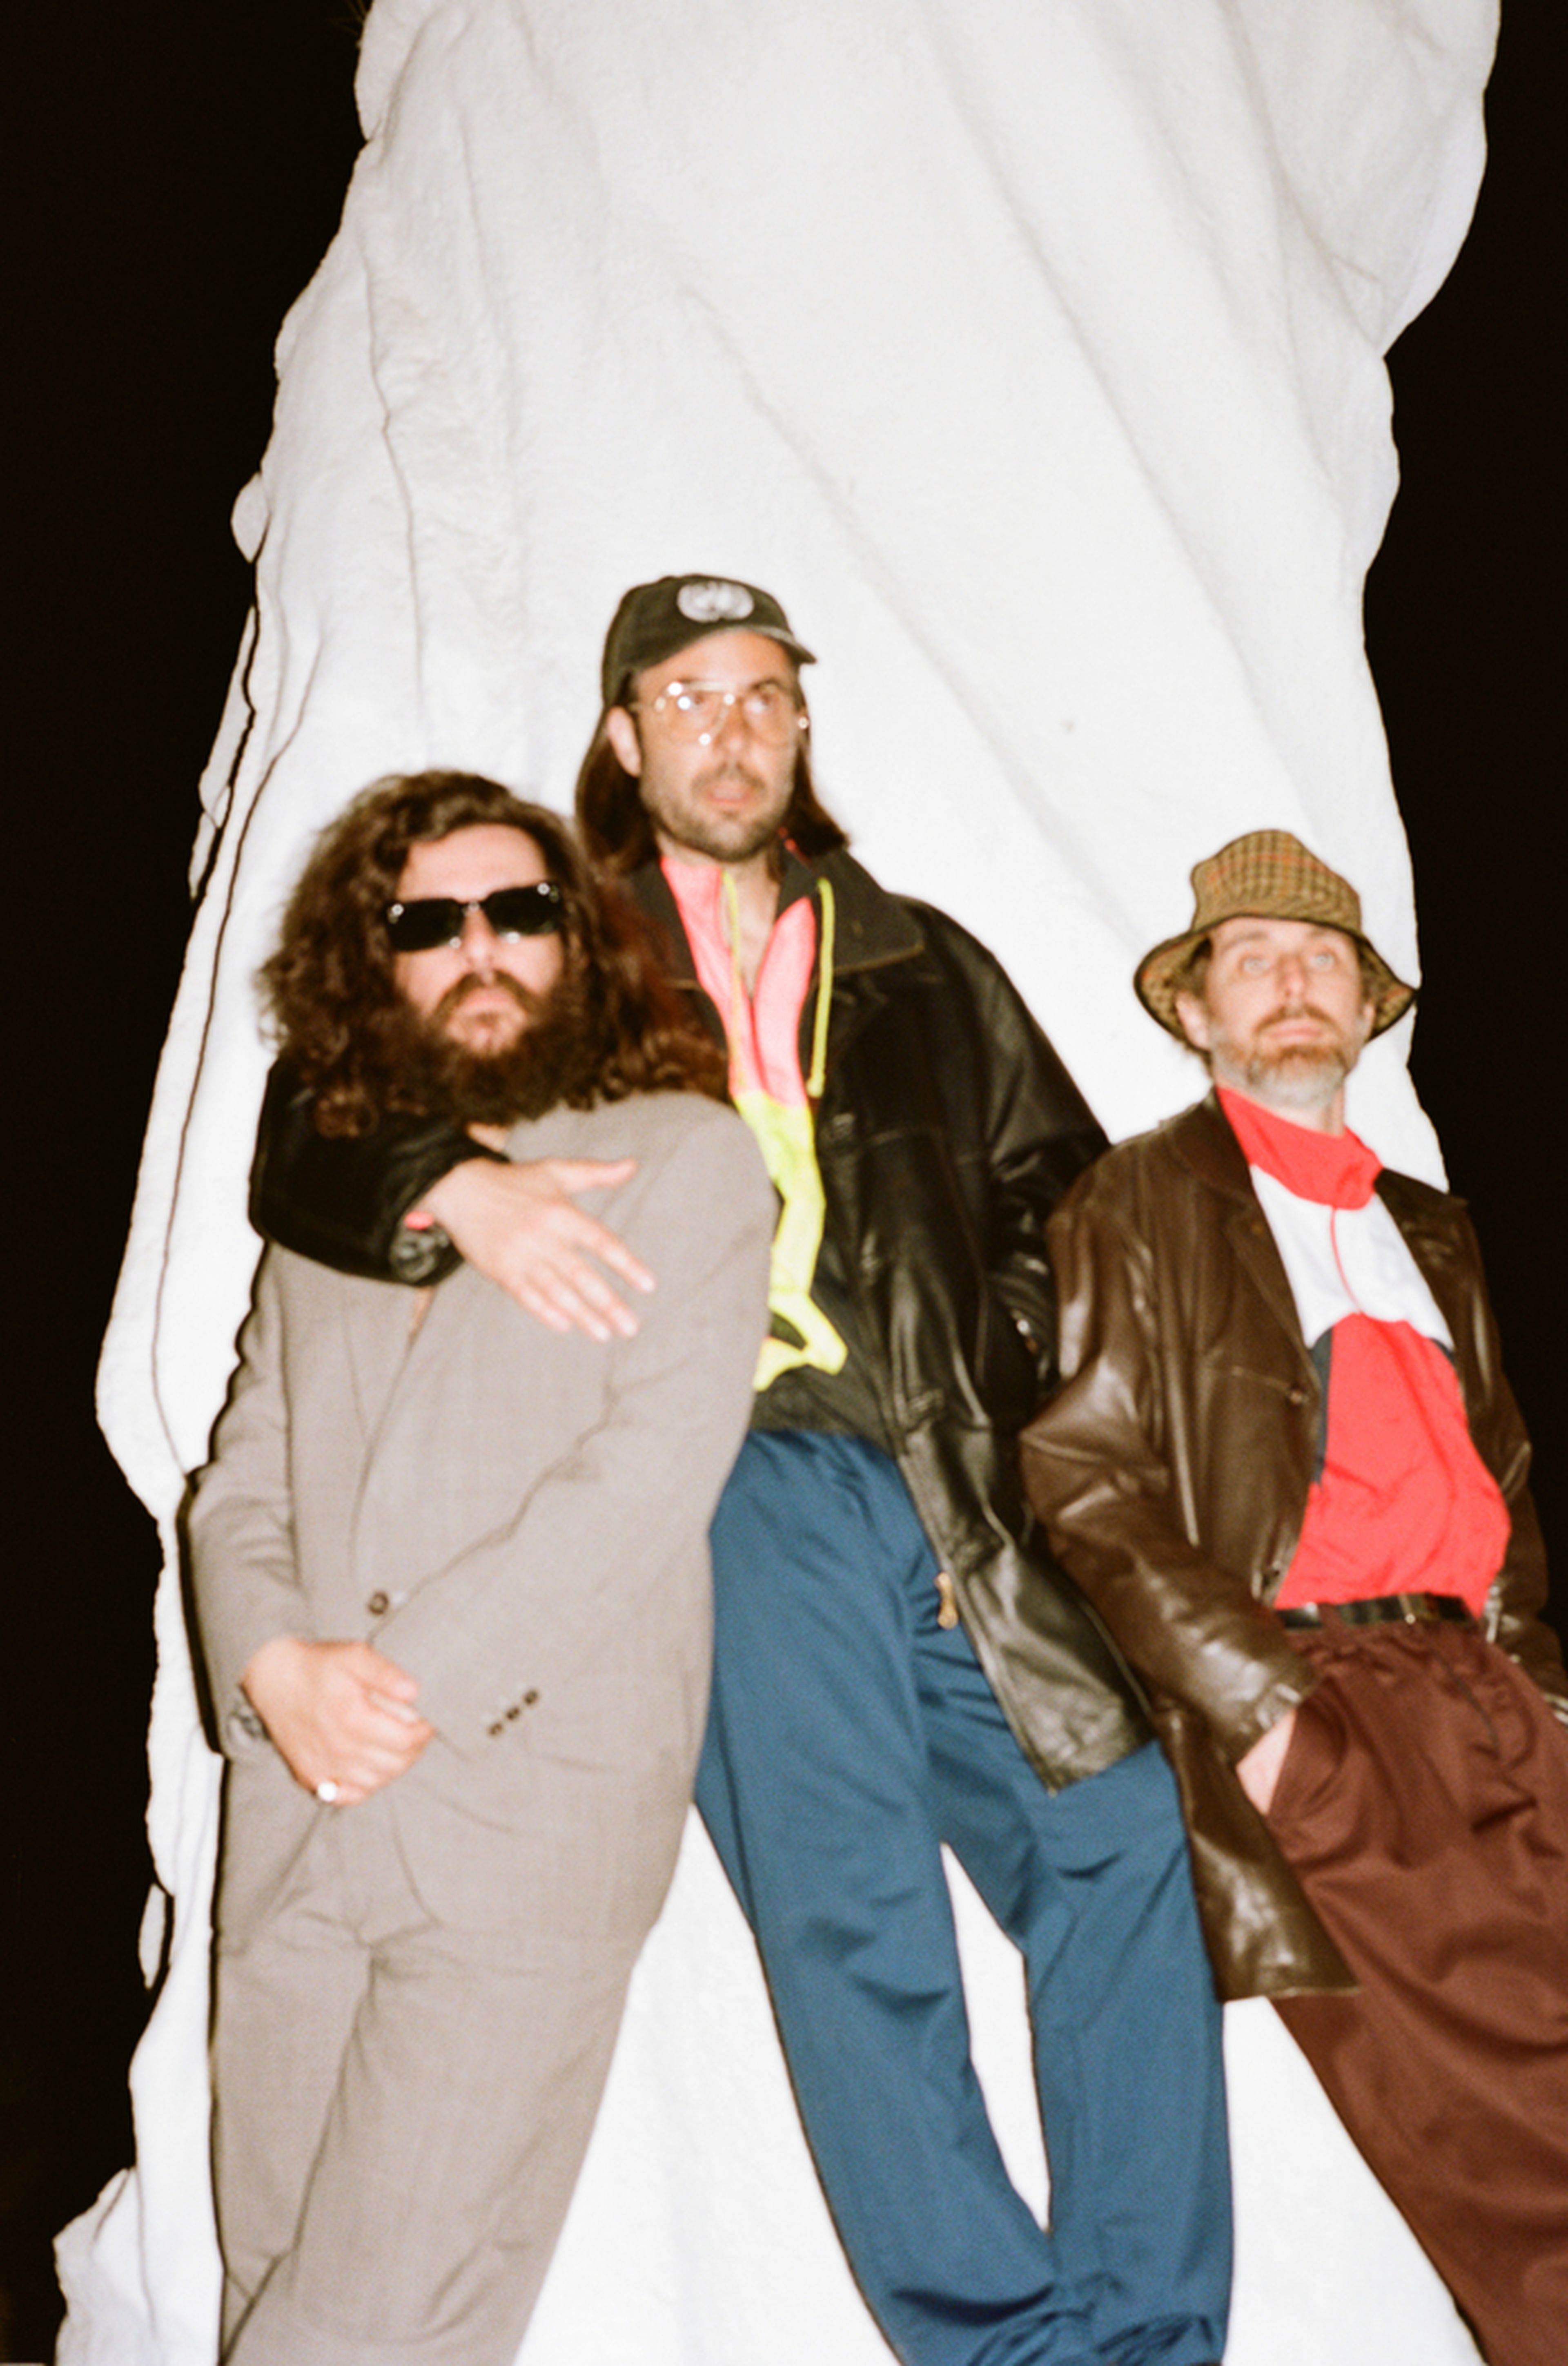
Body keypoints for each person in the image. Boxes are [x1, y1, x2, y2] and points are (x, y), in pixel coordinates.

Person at [252, 577, 1232, 2366]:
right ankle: (1003, 2347)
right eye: (689, 697)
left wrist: (998, 1418)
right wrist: (449, 1183)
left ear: (802, 725)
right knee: (859, 1919)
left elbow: (1073, 1210)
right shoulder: (553, 942)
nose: (733, 729)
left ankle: (1152, 2340)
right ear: (625, 737)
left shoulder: (922, 957)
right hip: (736, 1476)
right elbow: (315, 1121)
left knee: (1122, 1841)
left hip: (947, 1477)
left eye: (764, 695)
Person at [188, 770, 774, 2366]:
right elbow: (241, 1473)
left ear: (576, 938)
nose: (480, 949)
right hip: (298, 1812)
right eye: (428, 923)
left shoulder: (685, 1160)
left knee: (351, 2330)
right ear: (370, 961)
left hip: (527, 1820)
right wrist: (273, 1667)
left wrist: (401, 1686)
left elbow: (647, 1477)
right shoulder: (334, 1201)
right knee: (277, 2287)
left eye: (518, 910)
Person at [1020, 828, 1568, 2366]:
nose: (1292, 983)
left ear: (1369, 1003)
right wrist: (1264, 1720)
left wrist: (1542, 1691)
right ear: (1197, 1008)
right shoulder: (1139, 1199)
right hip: (1329, 1711)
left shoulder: (1431, 1225)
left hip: (1494, 1695)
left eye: (1322, 957)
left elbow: (1503, 1476)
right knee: (1518, 2160)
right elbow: (1085, 1478)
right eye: (1251, 959)